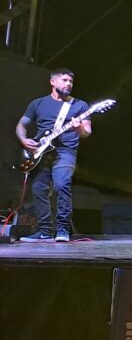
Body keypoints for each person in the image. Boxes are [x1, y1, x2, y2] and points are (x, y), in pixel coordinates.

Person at [16, 68, 91, 242]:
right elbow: (21, 125)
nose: (69, 84)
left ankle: (63, 229)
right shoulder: (38, 103)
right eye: (65, 80)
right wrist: (24, 140)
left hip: (66, 151)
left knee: (61, 184)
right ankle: (44, 231)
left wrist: (78, 127)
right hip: (41, 152)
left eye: (71, 81)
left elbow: (87, 132)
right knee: (38, 189)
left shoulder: (79, 105)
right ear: (53, 82)